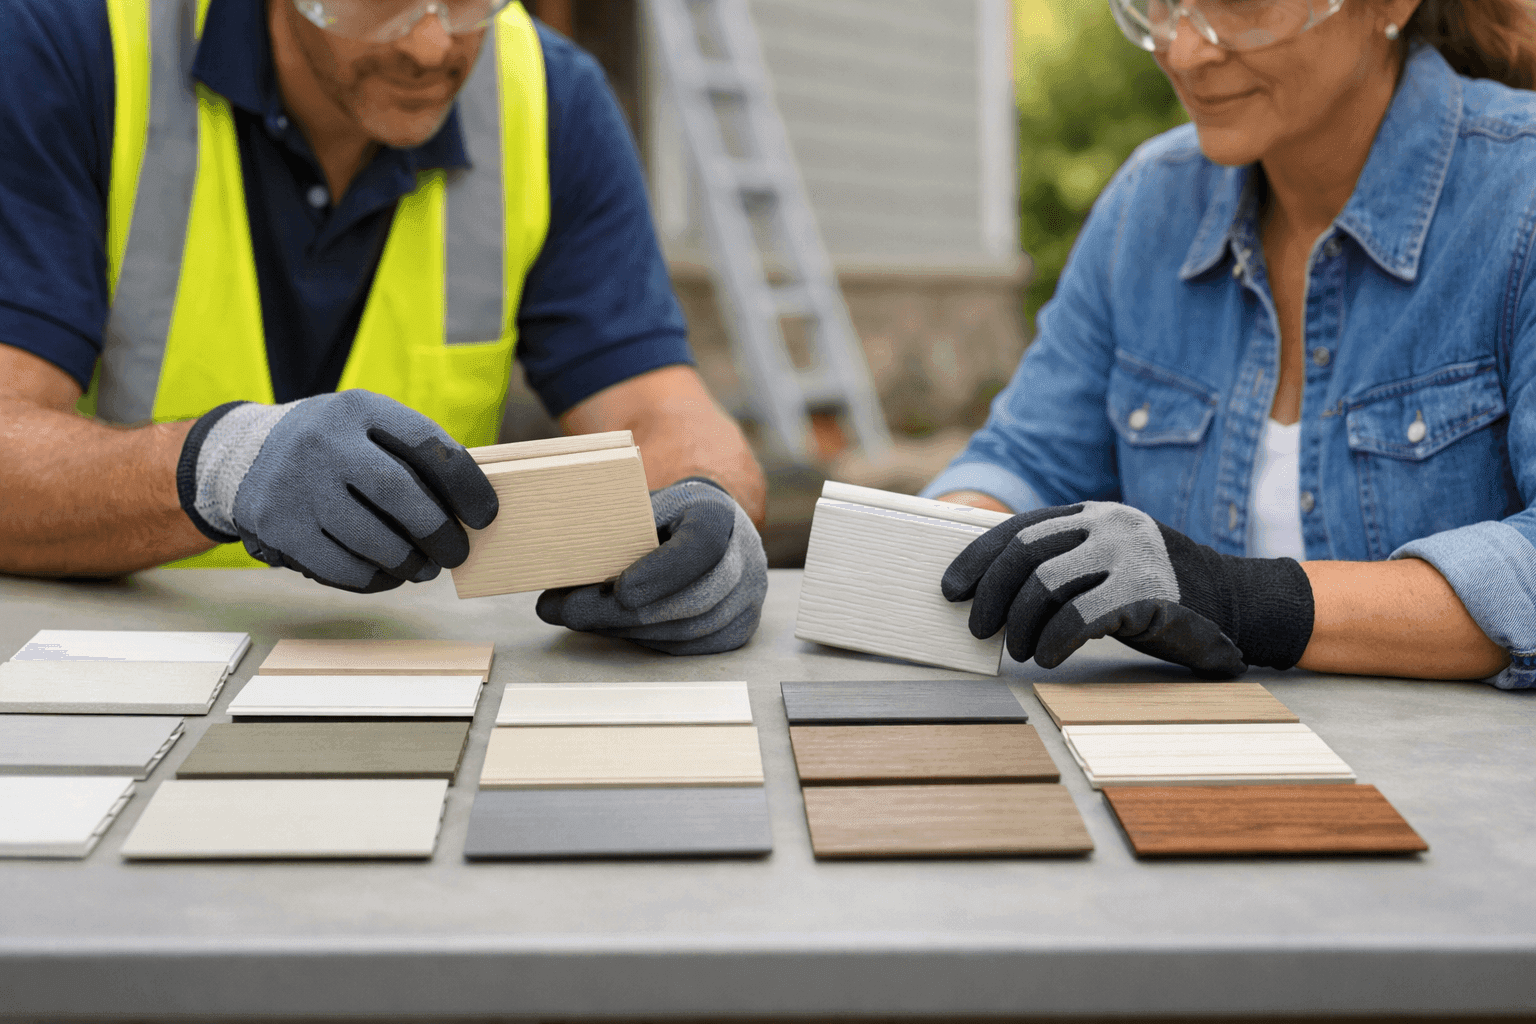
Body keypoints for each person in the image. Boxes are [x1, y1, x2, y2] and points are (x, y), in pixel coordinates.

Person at [0, 0, 768, 654]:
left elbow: (664, 412)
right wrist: (220, 466)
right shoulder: (69, 46)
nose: (431, 45)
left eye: (467, 0)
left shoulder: (549, 98)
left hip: (417, 666)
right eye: (385, 2)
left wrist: (705, 510)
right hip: (112, 655)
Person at [924, 0, 1536, 687]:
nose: (1183, 51)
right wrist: (945, 542)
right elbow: (1025, 460)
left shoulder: (1520, 199)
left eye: (1239, 4)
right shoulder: (1148, 206)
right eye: (1159, 4)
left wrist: (1240, 599)